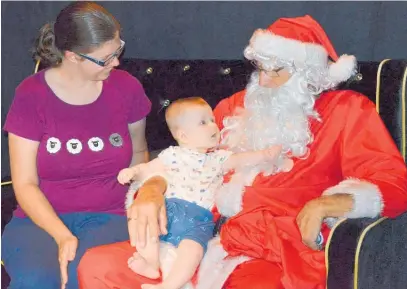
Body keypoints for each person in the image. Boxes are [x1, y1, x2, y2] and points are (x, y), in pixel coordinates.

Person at [77, 15, 407, 289]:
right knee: (98, 266)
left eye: (275, 71)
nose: (262, 82)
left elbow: (392, 182)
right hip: (195, 236)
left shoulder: (346, 111)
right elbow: (184, 161)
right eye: (260, 69)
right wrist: (151, 188)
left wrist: (328, 204)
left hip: (273, 252)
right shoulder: (231, 109)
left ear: (309, 74)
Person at [2, 2, 151, 289]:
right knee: (37, 281)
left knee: (84, 277)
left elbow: (138, 153)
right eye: (105, 59)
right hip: (39, 219)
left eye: (117, 50)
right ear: (71, 56)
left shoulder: (127, 88)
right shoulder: (31, 94)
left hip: (111, 215)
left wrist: (141, 198)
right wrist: (61, 235)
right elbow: (25, 183)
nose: (116, 63)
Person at [117, 97, 288, 289]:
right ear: (183, 135)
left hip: (199, 219)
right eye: (203, 123)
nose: (213, 126)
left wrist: (264, 155)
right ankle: (151, 262)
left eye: (212, 120)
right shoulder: (172, 155)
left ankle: (169, 285)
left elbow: (241, 160)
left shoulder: (218, 159)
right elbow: (148, 169)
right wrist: (132, 172)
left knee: (193, 252)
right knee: (147, 228)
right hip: (169, 210)